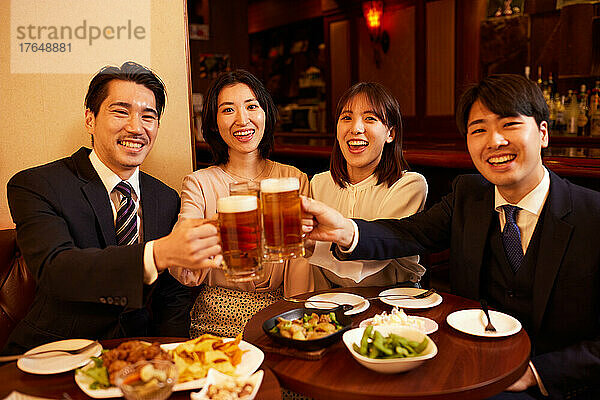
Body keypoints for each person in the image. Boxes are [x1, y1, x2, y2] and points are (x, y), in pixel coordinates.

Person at [301, 74, 600, 399]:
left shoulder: (593, 215)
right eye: (479, 130)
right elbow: (408, 233)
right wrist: (345, 230)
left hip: (555, 384)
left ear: (542, 133)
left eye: (509, 125)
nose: (494, 141)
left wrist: (535, 373)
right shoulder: (468, 195)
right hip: (469, 371)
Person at [3, 62, 222, 354]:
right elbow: (56, 269)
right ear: (90, 120)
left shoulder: (166, 198)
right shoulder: (36, 184)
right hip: (55, 354)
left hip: (139, 358)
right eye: (121, 111)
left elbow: (173, 298)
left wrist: (173, 356)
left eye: (148, 116)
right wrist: (157, 253)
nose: (136, 127)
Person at [170, 70, 313, 337]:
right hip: (214, 323)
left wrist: (295, 323)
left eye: (251, 106)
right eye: (227, 110)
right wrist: (207, 234)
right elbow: (183, 269)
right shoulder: (199, 183)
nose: (242, 119)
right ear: (213, 122)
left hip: (279, 318)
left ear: (266, 113)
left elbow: (300, 264)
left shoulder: (293, 179)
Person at [309, 82, 427, 288]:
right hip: (328, 305)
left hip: (393, 305)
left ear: (391, 134)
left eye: (370, 118)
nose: (356, 128)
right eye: (346, 118)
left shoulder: (409, 185)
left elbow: (373, 269)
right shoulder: (319, 183)